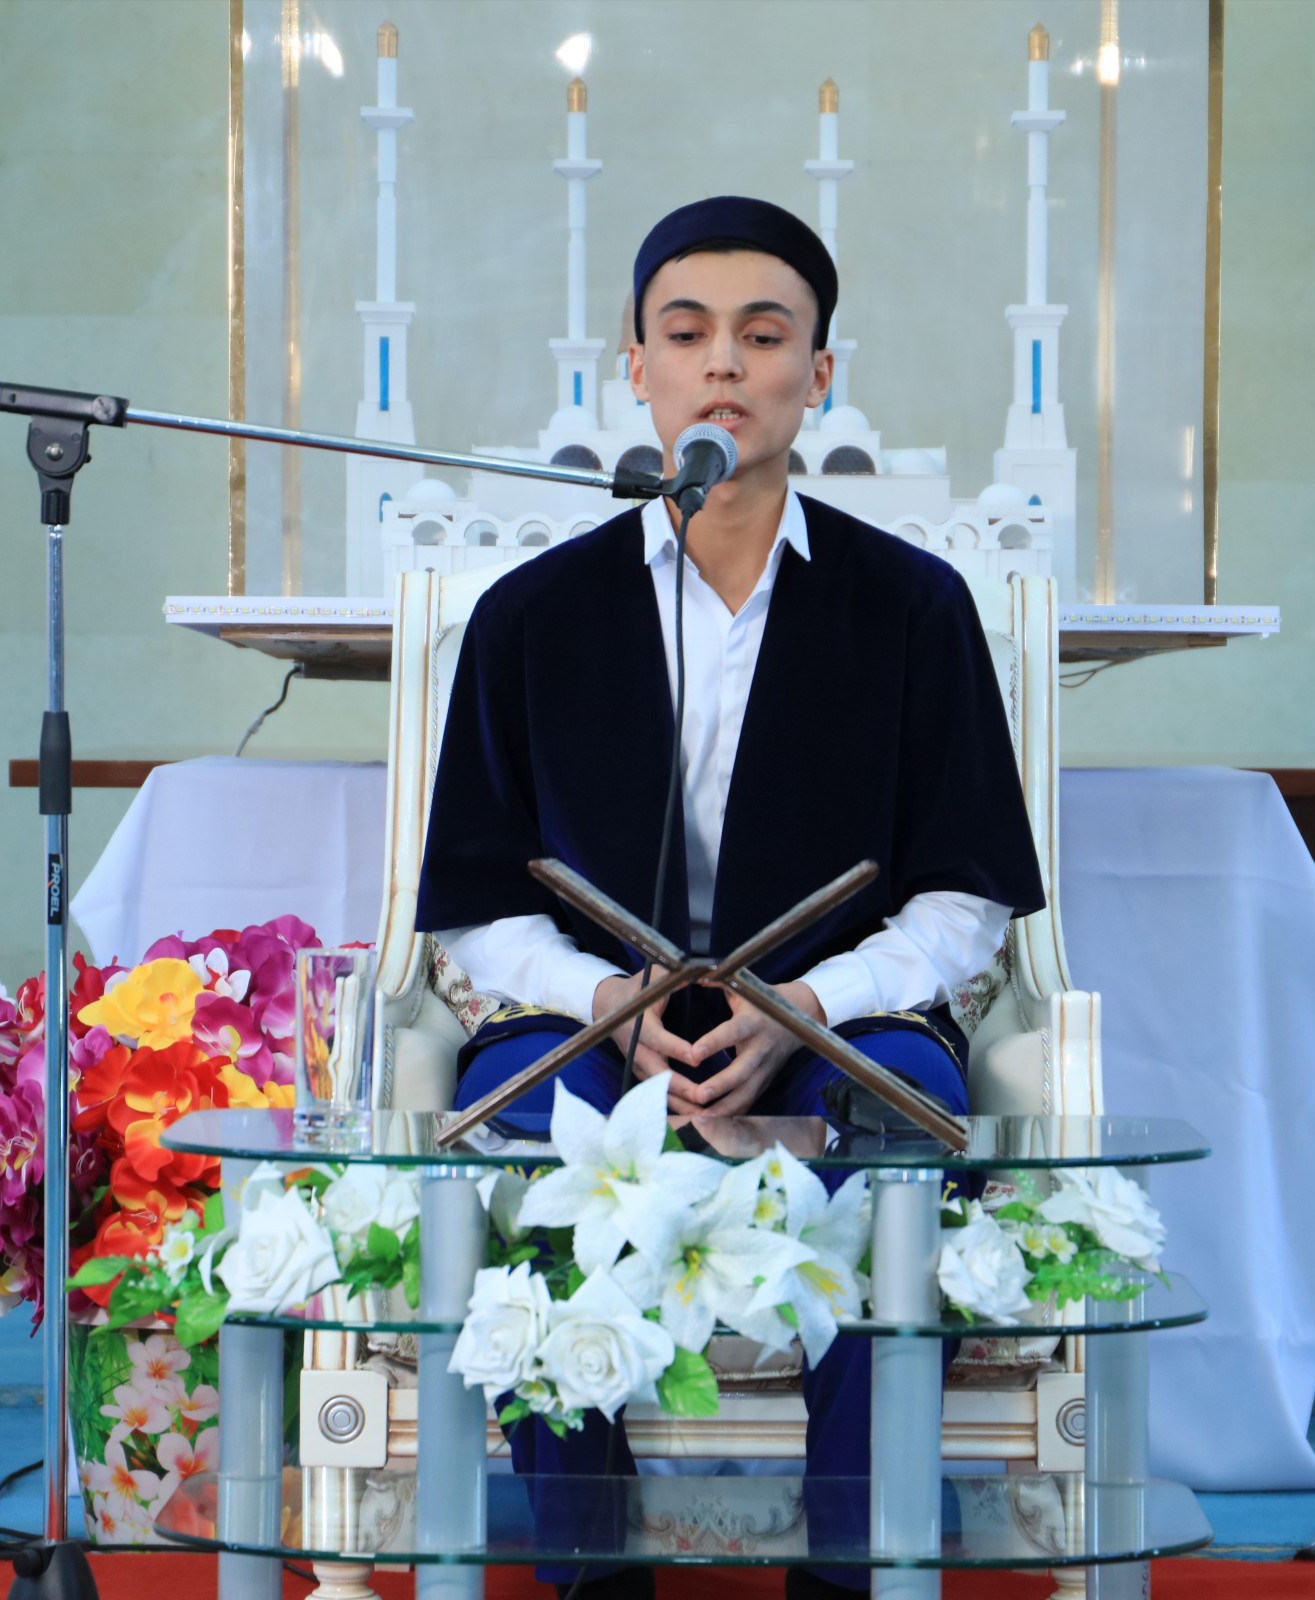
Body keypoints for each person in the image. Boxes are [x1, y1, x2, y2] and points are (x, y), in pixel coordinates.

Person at [414, 196, 1045, 1600]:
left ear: (818, 373)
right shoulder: (534, 616)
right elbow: (474, 899)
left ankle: (853, 1567)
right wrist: (607, 999)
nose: (723, 364)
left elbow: (965, 897)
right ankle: (589, 1565)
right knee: (515, 1134)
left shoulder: (912, 607)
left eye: (763, 336)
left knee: (897, 1136)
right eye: (687, 333)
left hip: (840, 1024)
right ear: (633, 365)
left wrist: (805, 1004)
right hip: (589, 1025)